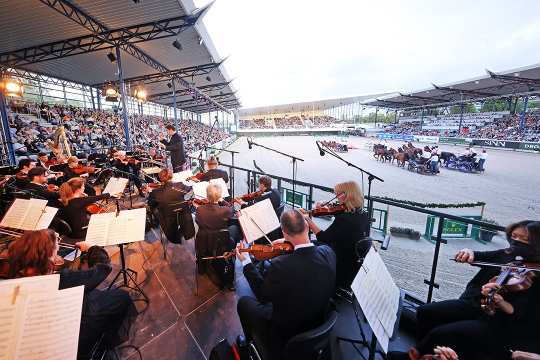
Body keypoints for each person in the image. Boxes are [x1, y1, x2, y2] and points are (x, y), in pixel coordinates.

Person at [390, 221, 540, 360]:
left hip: (497, 320)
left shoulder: (534, 275)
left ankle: (415, 355)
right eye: (514, 236)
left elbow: (522, 314)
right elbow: (482, 256)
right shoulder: (510, 254)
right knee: (426, 311)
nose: (516, 243)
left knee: (441, 333)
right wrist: (469, 252)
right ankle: (425, 353)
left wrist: (500, 301)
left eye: (524, 240)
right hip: (475, 303)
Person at [5, 229, 135, 359]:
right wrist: (92, 249)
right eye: (55, 252)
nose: (57, 256)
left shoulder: (12, 284)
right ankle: (104, 344)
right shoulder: (59, 280)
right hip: (75, 327)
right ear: (47, 258)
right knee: (122, 298)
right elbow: (102, 268)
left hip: (41, 334)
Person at [236, 209, 336, 360]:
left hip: (287, 332)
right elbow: (315, 248)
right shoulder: (329, 253)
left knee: (244, 303)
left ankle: (251, 345)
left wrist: (246, 262)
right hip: (318, 321)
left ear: (284, 232)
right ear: (307, 227)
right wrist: (290, 243)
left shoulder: (280, 266)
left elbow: (263, 295)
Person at [302, 181, 371, 289]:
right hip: (353, 259)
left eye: (337, 195)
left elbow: (323, 237)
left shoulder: (345, 219)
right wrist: (321, 205)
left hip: (340, 259)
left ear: (346, 195)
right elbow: (335, 211)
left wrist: (307, 219)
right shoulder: (363, 213)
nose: (336, 198)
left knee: (305, 246)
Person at [195, 183, 240, 288]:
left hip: (204, 244)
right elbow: (231, 209)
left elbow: (198, 222)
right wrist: (222, 201)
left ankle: (203, 267)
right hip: (221, 244)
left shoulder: (200, 210)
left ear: (207, 196)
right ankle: (232, 253)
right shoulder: (225, 210)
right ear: (219, 196)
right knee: (234, 228)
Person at [147, 169, 193, 244]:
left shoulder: (155, 192)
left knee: (153, 208)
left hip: (167, 217)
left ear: (161, 179)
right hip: (183, 216)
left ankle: (156, 223)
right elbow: (190, 191)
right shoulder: (181, 185)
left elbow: (150, 204)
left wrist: (150, 192)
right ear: (172, 176)